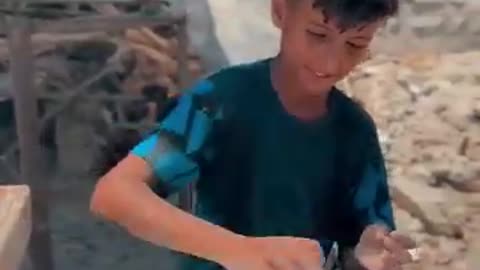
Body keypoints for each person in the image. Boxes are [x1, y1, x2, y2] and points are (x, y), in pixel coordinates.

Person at [90, 0, 417, 270]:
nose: (332, 62)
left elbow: (363, 247)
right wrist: (240, 251)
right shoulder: (222, 101)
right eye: (318, 35)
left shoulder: (355, 130)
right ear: (280, 11)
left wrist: (366, 259)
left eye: (355, 45)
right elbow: (116, 194)